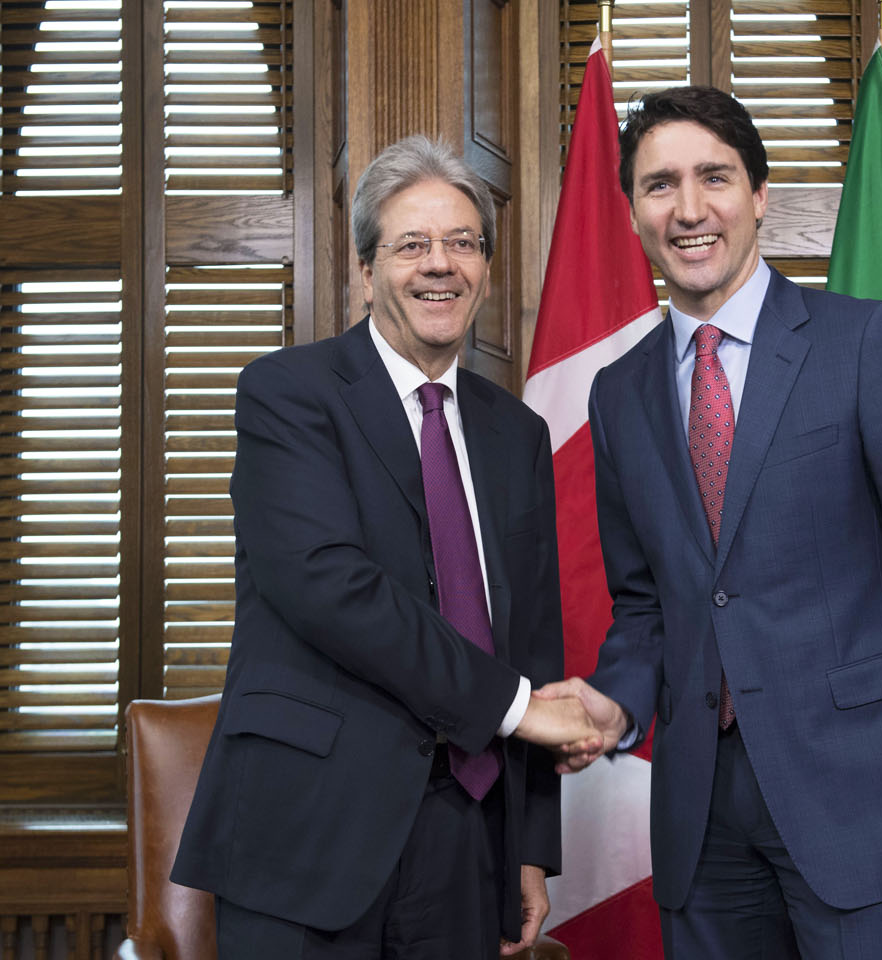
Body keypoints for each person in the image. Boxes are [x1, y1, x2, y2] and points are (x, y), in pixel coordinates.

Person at [537, 86, 882, 959]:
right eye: (658, 185)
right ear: (633, 211)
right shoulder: (619, 392)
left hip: (859, 806)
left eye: (712, 178)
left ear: (758, 194)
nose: (687, 209)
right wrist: (613, 704)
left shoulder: (864, 344)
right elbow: (644, 607)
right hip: (699, 817)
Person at [172, 135, 599, 959]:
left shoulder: (517, 434)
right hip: (309, 838)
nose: (441, 265)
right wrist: (517, 711)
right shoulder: (288, 394)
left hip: (466, 841)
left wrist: (529, 847)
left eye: (463, 243)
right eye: (413, 245)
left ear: (483, 266)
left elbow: (533, 637)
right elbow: (329, 587)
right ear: (367, 270)